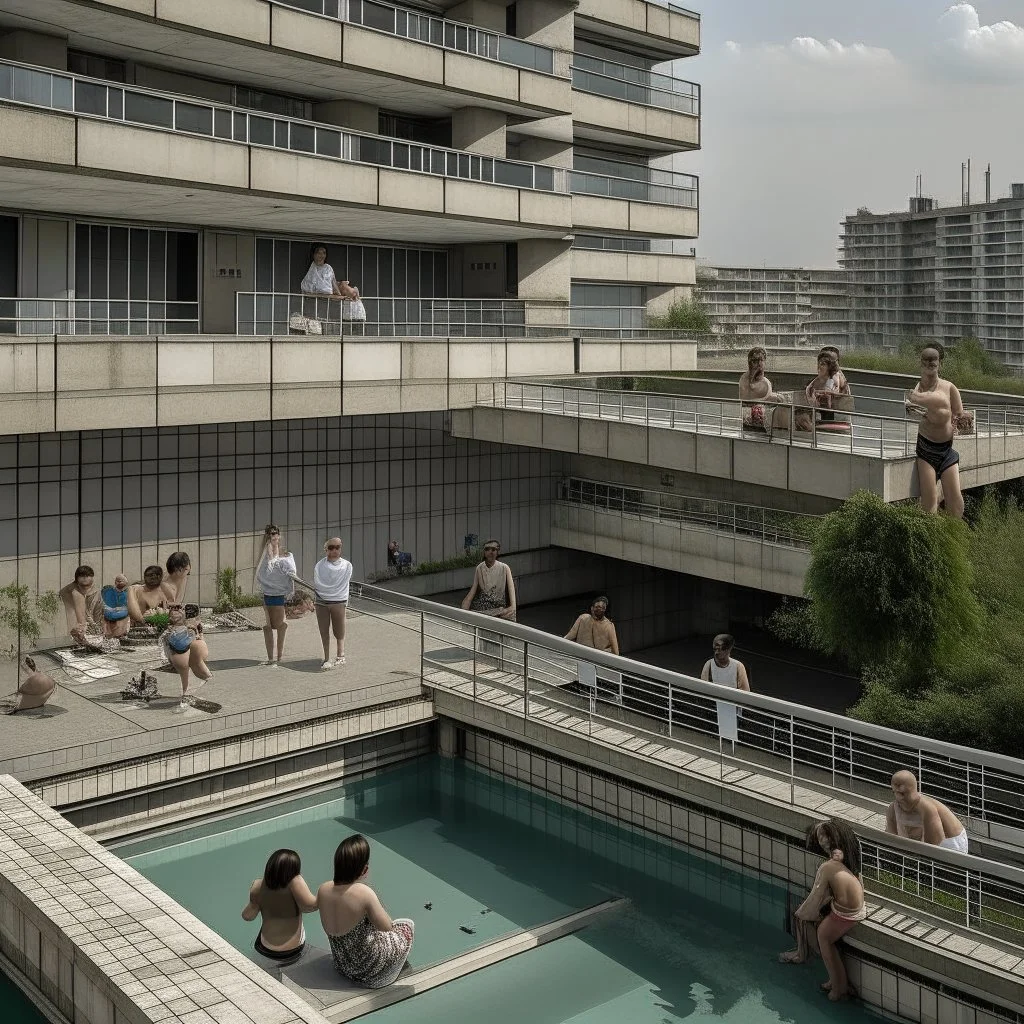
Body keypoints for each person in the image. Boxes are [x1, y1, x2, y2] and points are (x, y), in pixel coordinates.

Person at [779, 818, 865, 1002]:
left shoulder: (828, 866)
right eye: (820, 837)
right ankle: (835, 981)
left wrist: (804, 912)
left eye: (826, 836)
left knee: (823, 937)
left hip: (845, 911)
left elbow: (816, 895)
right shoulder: (845, 857)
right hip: (852, 907)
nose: (823, 841)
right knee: (825, 936)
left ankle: (839, 988)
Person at [318, 834, 414, 990]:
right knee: (406, 928)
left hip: (343, 965)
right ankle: (392, 970)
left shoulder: (323, 889)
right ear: (364, 869)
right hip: (369, 969)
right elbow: (387, 926)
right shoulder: (364, 893)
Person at [905, 344, 967, 519]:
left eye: (934, 360)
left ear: (940, 363)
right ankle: (932, 534)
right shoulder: (917, 391)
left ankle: (953, 532)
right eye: (926, 360)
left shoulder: (949, 387)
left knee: (955, 504)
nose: (930, 363)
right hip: (926, 449)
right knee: (929, 504)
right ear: (921, 363)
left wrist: (961, 419)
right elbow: (911, 412)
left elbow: (959, 412)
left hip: (946, 449)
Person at [242, 849, 318, 966]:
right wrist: (324, 893)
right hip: (290, 951)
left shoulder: (257, 885)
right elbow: (310, 906)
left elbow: (248, 916)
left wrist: (256, 900)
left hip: (263, 947)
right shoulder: (296, 882)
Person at [886, 770, 968, 853]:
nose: (899, 798)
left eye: (903, 794)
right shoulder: (893, 808)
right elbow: (890, 837)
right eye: (895, 792)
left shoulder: (926, 807)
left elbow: (934, 843)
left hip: (951, 842)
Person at [255, 524, 298, 667]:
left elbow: (291, 570)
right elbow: (263, 573)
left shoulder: (285, 553)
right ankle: (270, 658)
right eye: (270, 534)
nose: (273, 536)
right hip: (267, 594)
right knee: (268, 627)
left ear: (279, 535)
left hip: (280, 594)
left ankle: (279, 657)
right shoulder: (264, 555)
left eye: (275, 533)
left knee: (280, 625)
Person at [700, 634, 750, 743]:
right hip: (713, 711)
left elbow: (745, 691)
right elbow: (702, 689)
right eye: (715, 649)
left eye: (720, 649)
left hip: (732, 712)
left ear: (728, 649)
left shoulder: (738, 666)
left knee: (730, 741)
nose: (717, 652)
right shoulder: (708, 665)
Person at [313, 537, 353, 670]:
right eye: (331, 547)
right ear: (326, 549)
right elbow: (318, 584)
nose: (335, 550)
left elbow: (342, 584)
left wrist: (333, 594)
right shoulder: (319, 565)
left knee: (339, 629)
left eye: (338, 547)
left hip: (338, 600)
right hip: (322, 601)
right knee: (324, 630)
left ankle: (341, 655)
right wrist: (326, 593)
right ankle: (326, 658)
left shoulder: (347, 565)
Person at [164, 603, 213, 709]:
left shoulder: (190, 626)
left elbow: (197, 633)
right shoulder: (177, 626)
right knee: (188, 673)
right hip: (181, 649)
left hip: (185, 648)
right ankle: (187, 695)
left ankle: (187, 694)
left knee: (190, 672)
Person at [738, 346, 791, 432]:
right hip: (752, 415)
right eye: (755, 361)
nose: (759, 364)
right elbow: (747, 397)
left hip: (761, 413)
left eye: (761, 360)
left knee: (783, 400)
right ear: (749, 363)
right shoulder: (745, 378)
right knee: (779, 401)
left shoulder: (765, 381)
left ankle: (783, 431)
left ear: (764, 361)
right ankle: (782, 430)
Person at [461, 540, 516, 620]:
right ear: (484, 552)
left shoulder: (504, 568)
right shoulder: (479, 568)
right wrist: (465, 606)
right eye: (487, 549)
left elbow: (512, 598)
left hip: (498, 607)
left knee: (509, 614)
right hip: (483, 608)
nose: (490, 552)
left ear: (497, 552)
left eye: (493, 549)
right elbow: (473, 589)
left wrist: (511, 608)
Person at [59, 565, 103, 646]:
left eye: (87, 576)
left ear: (92, 577)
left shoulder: (97, 592)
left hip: (93, 629)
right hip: (75, 630)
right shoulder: (72, 591)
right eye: (82, 576)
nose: (85, 578)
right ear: (77, 578)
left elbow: (98, 614)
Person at [99, 574, 132, 650]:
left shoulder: (129, 592)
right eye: (117, 580)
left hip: (123, 613)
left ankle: (119, 638)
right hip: (109, 613)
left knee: (121, 625)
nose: (119, 582)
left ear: (126, 582)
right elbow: (104, 604)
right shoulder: (108, 591)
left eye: (121, 580)